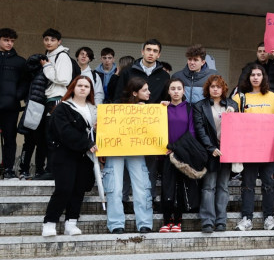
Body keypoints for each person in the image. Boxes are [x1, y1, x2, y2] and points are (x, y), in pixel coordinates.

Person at [41, 76, 97, 237]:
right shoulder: (62, 107)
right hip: (64, 154)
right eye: (80, 85)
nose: (83, 88)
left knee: (79, 189)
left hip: (85, 156)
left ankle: (71, 223)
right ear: (73, 87)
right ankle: (50, 222)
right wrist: (86, 143)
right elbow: (64, 131)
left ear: (90, 90)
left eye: (86, 86)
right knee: (64, 188)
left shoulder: (94, 109)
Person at [102, 77, 154, 234]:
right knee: (115, 188)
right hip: (115, 150)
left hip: (136, 151)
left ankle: (145, 223)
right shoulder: (116, 107)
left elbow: (154, 131)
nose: (149, 92)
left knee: (142, 187)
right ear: (134, 92)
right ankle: (116, 223)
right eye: (145, 90)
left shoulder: (150, 110)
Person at [234, 64, 274, 232]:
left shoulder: (273, 97)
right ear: (248, 78)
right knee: (248, 184)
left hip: (268, 148)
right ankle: (246, 218)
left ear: (264, 78)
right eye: (252, 75)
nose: (255, 77)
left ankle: (269, 218)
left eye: (258, 75)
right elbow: (233, 120)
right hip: (248, 148)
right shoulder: (240, 98)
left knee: (269, 184)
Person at [194, 75, 238, 233]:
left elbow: (238, 128)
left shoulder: (232, 104)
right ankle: (207, 220)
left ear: (223, 89)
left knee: (223, 187)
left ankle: (221, 220)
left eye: (218, 87)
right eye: (212, 86)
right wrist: (210, 147)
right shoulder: (200, 105)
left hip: (227, 151)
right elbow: (200, 130)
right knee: (208, 187)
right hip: (209, 152)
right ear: (208, 88)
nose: (215, 89)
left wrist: (233, 114)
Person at [31, 29, 74, 179]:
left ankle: (53, 171)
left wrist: (47, 67)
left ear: (59, 41)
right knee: (45, 136)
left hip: (57, 99)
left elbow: (64, 79)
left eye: (53, 40)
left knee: (53, 137)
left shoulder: (62, 56)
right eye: (46, 39)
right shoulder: (48, 55)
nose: (49, 42)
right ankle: (47, 170)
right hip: (47, 99)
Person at [158, 78, 198, 233]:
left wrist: (178, 148)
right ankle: (166, 220)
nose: (175, 91)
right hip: (165, 153)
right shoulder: (162, 108)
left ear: (183, 91)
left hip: (182, 153)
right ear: (168, 91)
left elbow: (192, 132)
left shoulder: (189, 108)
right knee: (167, 187)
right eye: (172, 88)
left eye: (178, 88)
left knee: (181, 187)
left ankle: (178, 221)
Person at [0, 28, 26, 178]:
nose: (9, 43)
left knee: (10, 138)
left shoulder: (20, 61)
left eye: (12, 41)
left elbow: (25, 82)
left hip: (11, 107)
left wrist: (17, 95)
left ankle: (9, 169)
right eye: (6, 40)